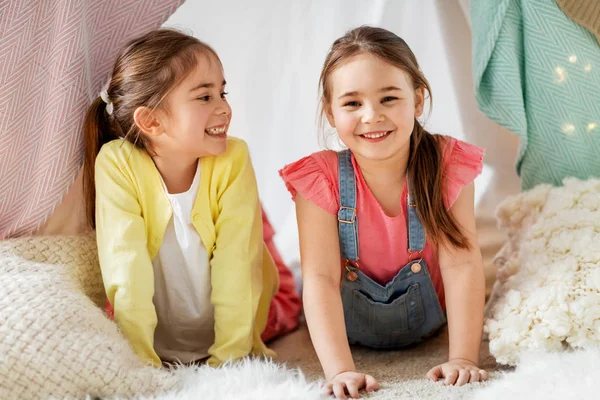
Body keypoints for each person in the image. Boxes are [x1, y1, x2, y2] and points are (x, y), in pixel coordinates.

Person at [280, 26, 487, 398]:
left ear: (418, 100)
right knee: (305, 279)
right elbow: (322, 279)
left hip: (431, 322)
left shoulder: (447, 163)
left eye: (389, 98)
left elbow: (463, 263)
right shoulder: (320, 177)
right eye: (352, 103)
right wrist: (340, 370)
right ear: (330, 112)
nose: (372, 116)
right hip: (348, 328)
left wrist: (464, 358)